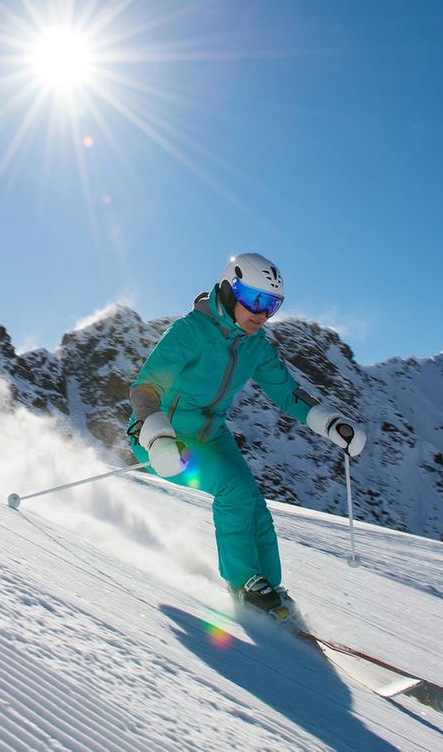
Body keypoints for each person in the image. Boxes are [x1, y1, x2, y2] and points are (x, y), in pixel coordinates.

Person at [126, 253, 366, 622]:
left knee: (254, 503)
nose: (261, 313)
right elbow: (145, 388)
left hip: (212, 433)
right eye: (255, 300)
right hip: (165, 437)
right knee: (234, 492)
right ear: (228, 289)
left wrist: (329, 422)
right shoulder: (191, 331)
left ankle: (269, 586)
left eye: (271, 305)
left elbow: (287, 392)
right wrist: (156, 437)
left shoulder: (256, 344)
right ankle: (243, 586)